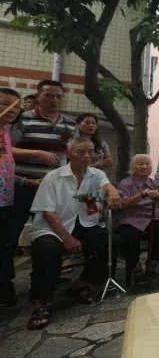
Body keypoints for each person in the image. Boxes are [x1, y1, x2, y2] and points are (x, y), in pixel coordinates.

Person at [27, 137, 120, 329]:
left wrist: (112, 193)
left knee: (107, 241)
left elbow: (106, 186)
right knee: (48, 249)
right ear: (69, 154)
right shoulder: (53, 177)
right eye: (81, 152)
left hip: (83, 222)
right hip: (52, 227)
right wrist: (66, 238)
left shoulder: (96, 174)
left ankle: (82, 284)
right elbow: (47, 212)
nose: (87, 156)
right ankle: (43, 303)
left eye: (91, 152)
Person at [2, 80, 75, 307]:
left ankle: (41, 286)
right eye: (48, 95)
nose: (53, 100)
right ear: (38, 96)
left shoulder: (70, 124)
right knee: (9, 237)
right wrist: (38, 154)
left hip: (52, 190)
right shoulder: (20, 119)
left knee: (48, 237)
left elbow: (71, 153)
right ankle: (6, 287)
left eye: (58, 96)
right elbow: (6, 149)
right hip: (21, 187)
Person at [116, 154, 159, 286]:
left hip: (154, 216)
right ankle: (134, 265)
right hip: (132, 217)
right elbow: (122, 204)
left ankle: (152, 264)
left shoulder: (156, 183)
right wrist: (141, 195)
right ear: (133, 167)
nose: (144, 166)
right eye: (140, 164)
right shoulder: (125, 183)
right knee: (129, 235)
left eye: (147, 164)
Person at [0, 88, 29, 306]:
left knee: (7, 243)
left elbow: (6, 168)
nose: (12, 109)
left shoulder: (6, 134)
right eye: (5, 103)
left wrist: (26, 181)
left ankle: (5, 287)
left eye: (16, 106)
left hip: (6, 199)